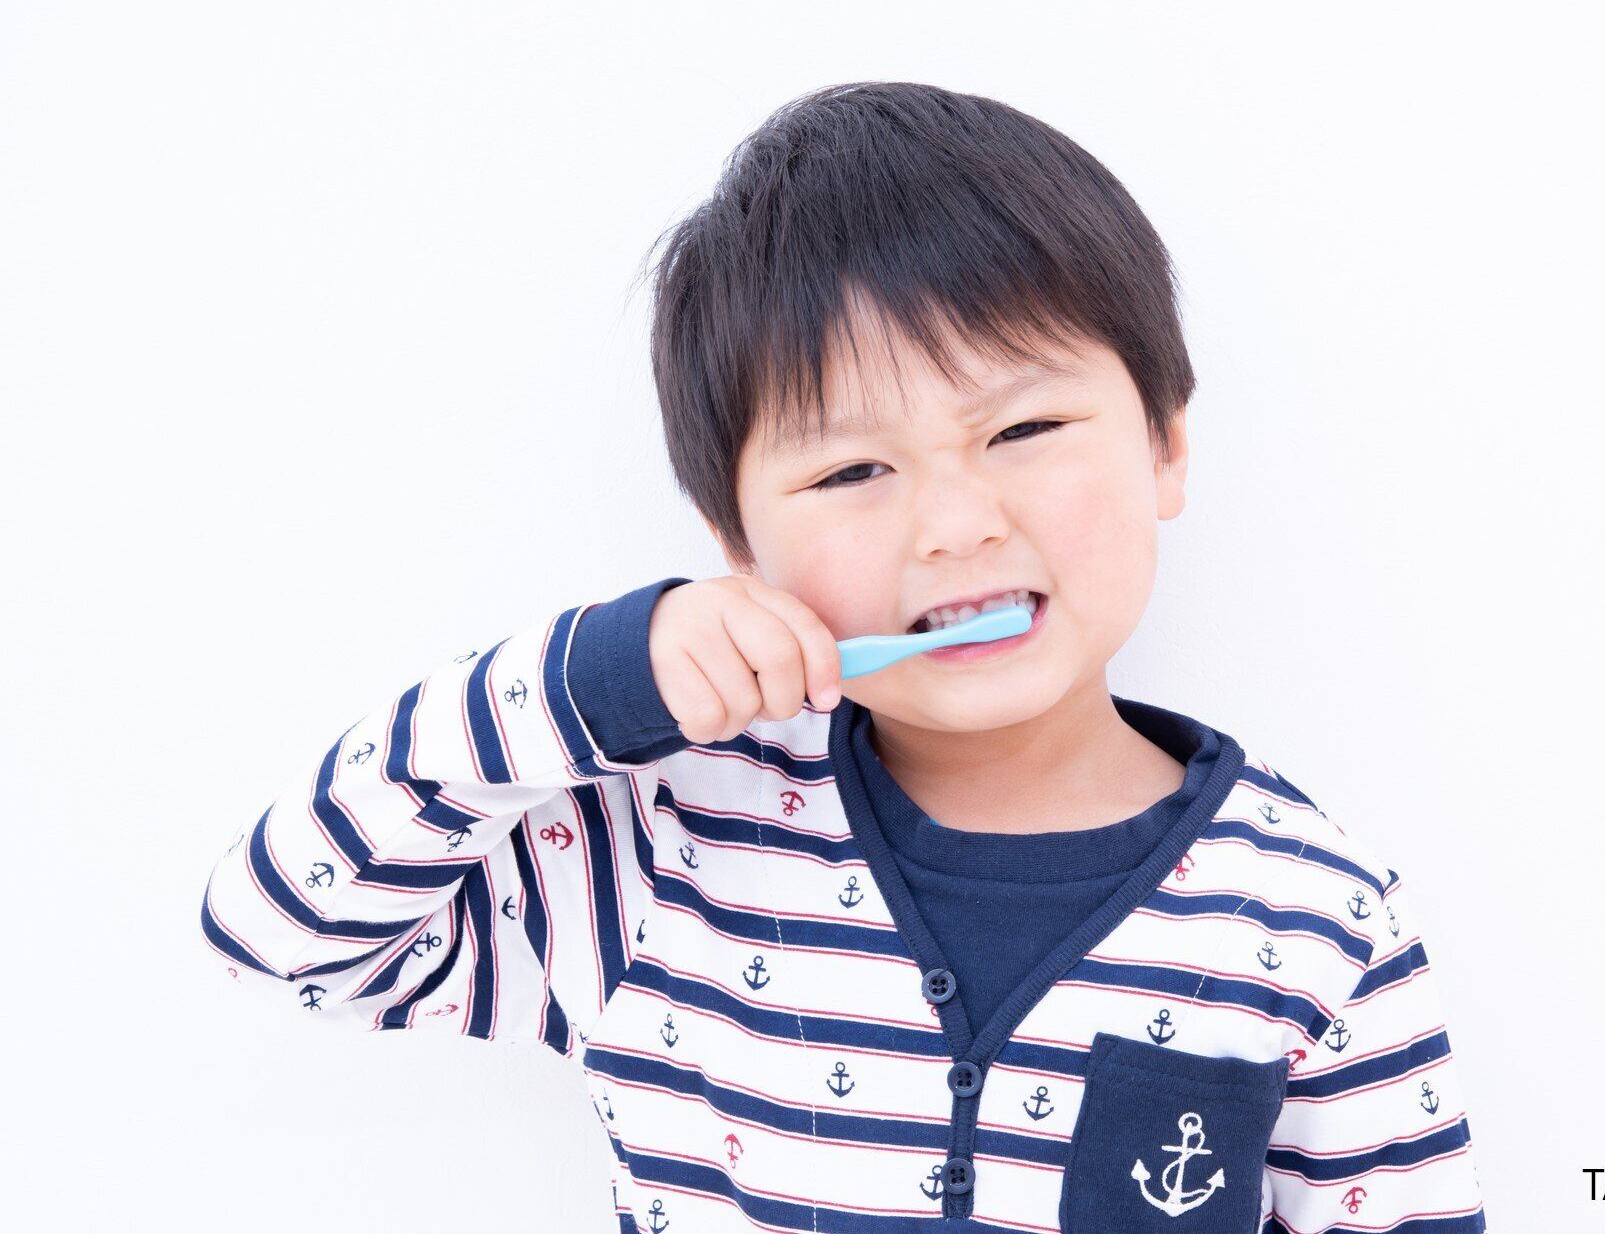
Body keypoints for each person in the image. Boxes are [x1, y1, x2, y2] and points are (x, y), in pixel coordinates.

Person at [199, 81, 1490, 1233]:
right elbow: (283, 927)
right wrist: (594, 678)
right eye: (853, 467)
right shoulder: (666, 850)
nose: (956, 524)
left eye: (1026, 424)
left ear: (1162, 445)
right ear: (738, 544)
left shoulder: (1314, 916)